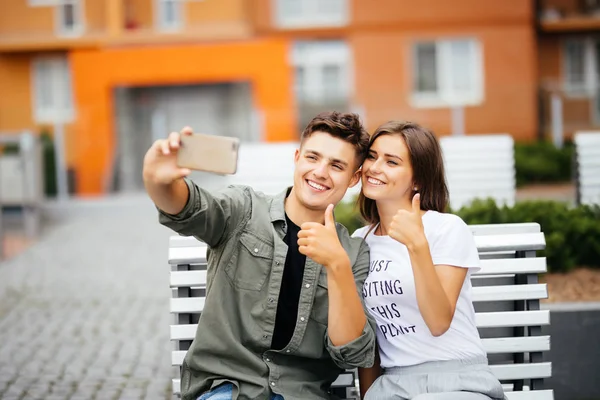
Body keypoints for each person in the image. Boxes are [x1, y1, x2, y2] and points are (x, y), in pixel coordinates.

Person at [142, 111, 376, 400]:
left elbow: (351, 353)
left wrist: (337, 265)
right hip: (228, 388)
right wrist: (159, 182)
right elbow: (189, 210)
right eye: (312, 157)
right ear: (297, 157)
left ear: (353, 178)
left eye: (336, 165)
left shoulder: (353, 254)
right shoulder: (245, 210)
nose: (320, 172)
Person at [353, 121, 505, 400]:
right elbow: (368, 338)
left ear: (418, 180)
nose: (374, 167)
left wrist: (417, 246)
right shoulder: (360, 241)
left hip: (458, 381)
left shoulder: (446, 228)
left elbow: (438, 322)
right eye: (372, 156)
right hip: (393, 385)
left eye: (392, 162)